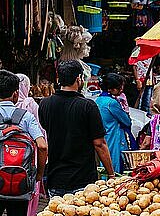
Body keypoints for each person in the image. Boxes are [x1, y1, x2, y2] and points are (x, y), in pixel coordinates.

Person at [0, 70, 47, 216]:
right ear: (16, 93)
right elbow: (42, 144)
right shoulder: (25, 116)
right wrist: (38, 175)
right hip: (20, 185)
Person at [39, 60, 114, 198]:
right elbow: (99, 143)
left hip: (56, 178)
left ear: (58, 79)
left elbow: (46, 127)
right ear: (79, 78)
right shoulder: (88, 106)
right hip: (82, 179)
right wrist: (111, 174)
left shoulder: (45, 104)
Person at [16, 73, 46, 216]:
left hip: (6, 156)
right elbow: (41, 135)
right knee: (28, 188)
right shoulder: (30, 104)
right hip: (29, 155)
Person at [96, 73, 133, 174]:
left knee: (104, 166)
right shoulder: (112, 103)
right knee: (115, 168)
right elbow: (127, 121)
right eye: (119, 88)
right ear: (110, 89)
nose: (121, 90)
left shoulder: (98, 100)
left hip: (103, 137)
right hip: (114, 139)